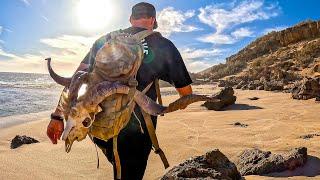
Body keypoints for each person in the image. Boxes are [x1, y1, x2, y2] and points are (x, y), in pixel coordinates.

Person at [47, 2, 193, 180]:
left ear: (131, 19)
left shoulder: (106, 39)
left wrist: (57, 116)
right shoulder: (163, 46)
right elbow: (186, 95)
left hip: (99, 126)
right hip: (135, 133)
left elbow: (76, 79)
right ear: (154, 20)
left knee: (118, 166)